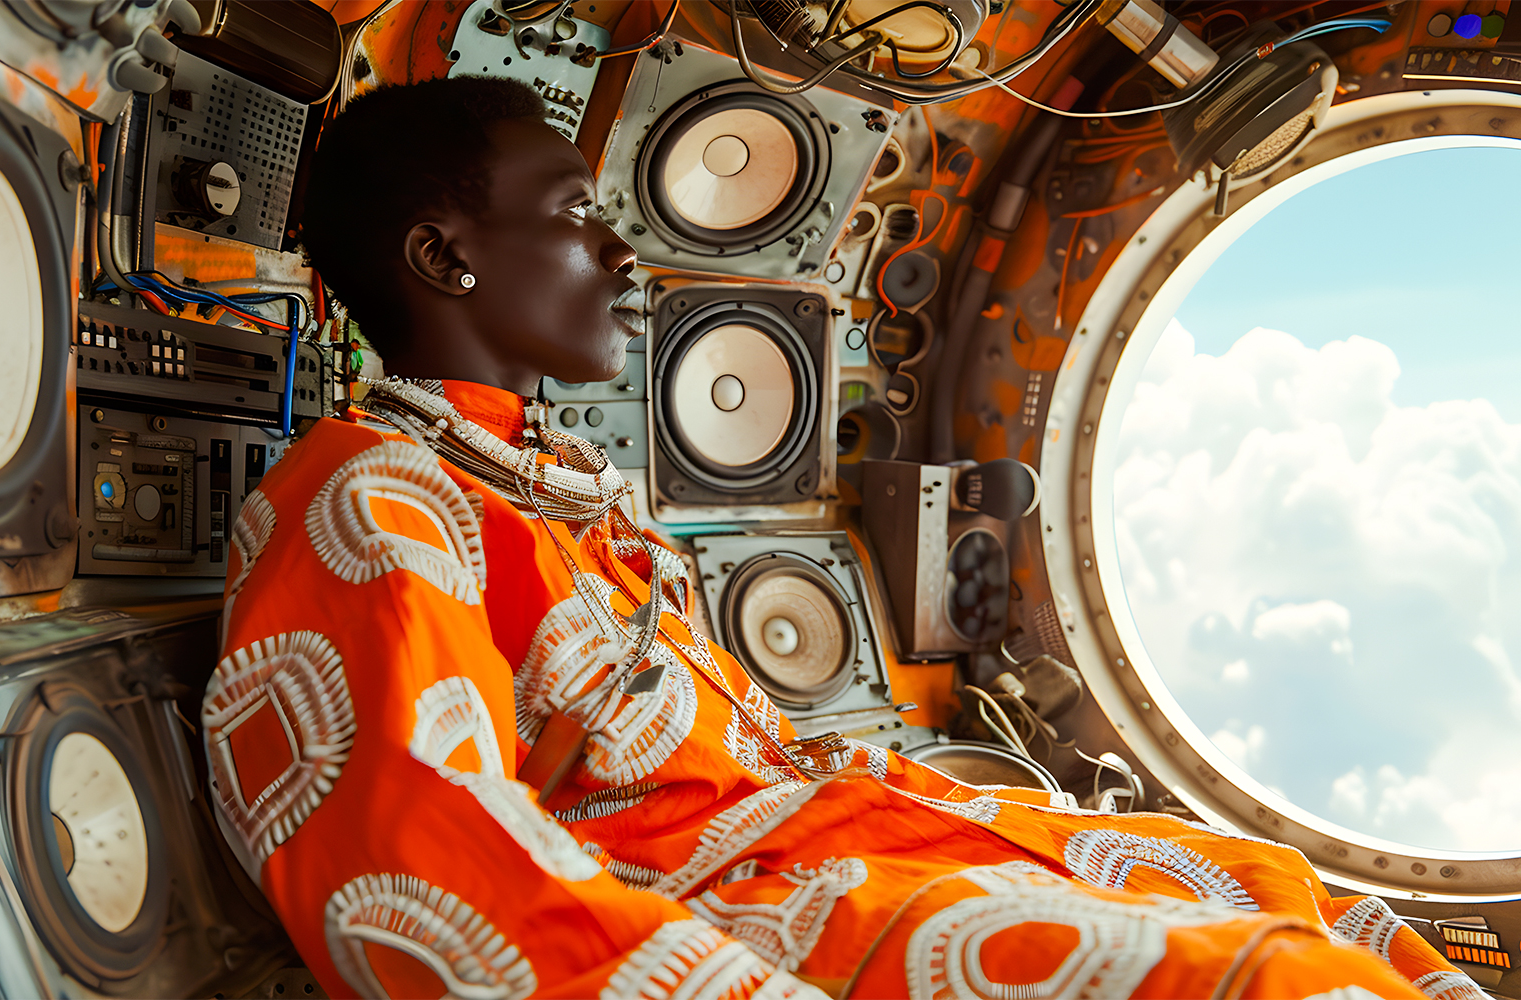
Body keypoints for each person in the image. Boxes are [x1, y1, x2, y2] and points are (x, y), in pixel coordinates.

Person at [204, 76, 1482, 1000]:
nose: (621, 255)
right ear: (444, 254)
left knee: (1285, 890)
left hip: (840, 822)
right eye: (574, 213)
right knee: (1273, 982)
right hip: (729, 901)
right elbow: (420, 864)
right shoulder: (372, 496)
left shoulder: (560, 490)